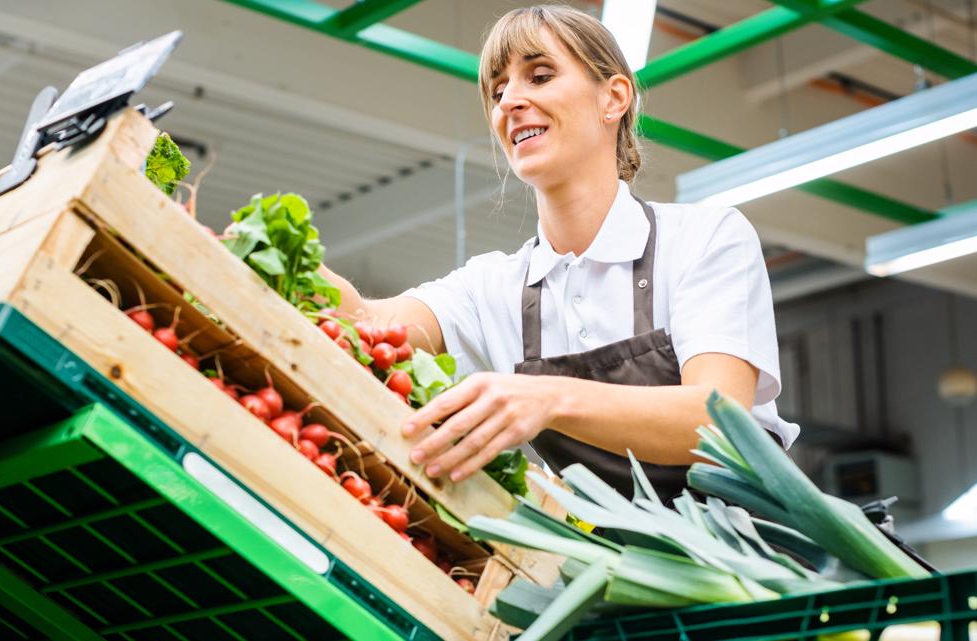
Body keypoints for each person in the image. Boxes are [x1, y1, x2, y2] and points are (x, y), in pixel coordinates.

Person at [319, 4, 799, 499]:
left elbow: (719, 419)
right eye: (498, 91)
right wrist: (266, 248)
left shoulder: (704, 237)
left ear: (613, 98)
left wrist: (547, 398)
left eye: (540, 76)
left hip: (761, 560)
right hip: (619, 570)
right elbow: (369, 326)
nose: (509, 102)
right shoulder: (492, 289)